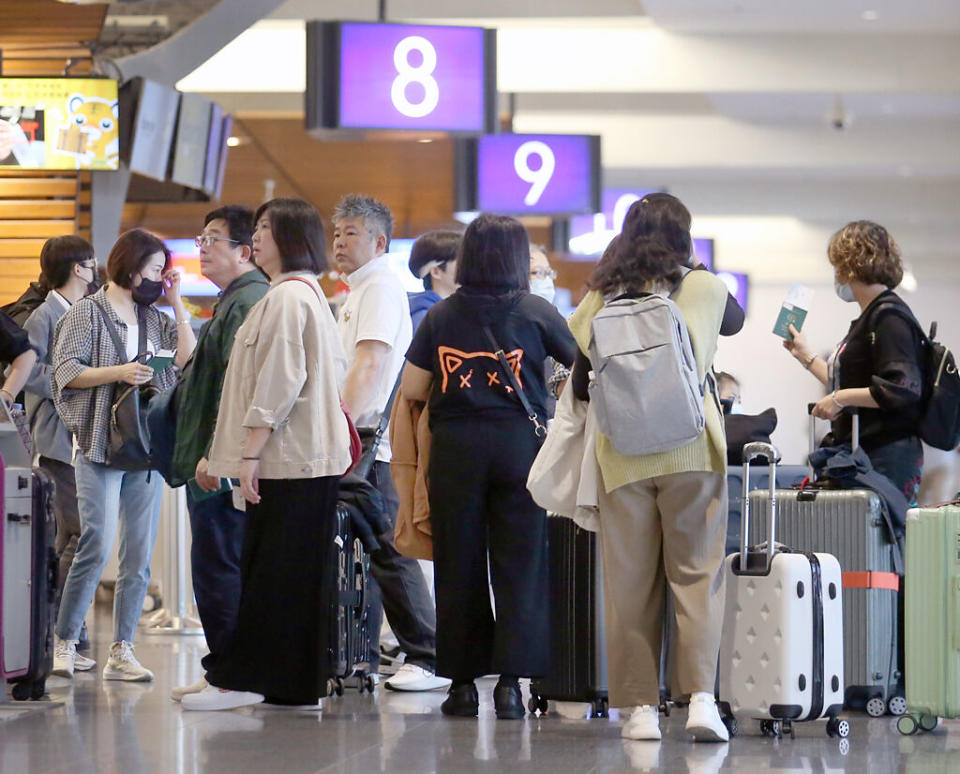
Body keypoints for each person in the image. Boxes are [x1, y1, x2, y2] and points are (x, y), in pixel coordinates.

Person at [567, 193, 730, 741]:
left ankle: (639, 711)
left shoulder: (599, 297)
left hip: (624, 454)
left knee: (630, 584)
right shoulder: (706, 287)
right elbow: (734, 322)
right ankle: (702, 701)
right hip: (692, 449)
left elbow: (582, 362)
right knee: (696, 576)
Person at [402, 214, 577, 719]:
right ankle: (510, 686)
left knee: (458, 565)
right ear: (519, 259)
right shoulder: (538, 311)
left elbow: (413, 389)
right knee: (520, 564)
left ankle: (459, 685)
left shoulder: (441, 316)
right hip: (521, 449)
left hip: (456, 451)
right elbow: (582, 374)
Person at [184, 197, 353, 711]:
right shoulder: (300, 296)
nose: (256, 235)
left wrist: (249, 456)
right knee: (290, 576)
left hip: (288, 459)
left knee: (273, 575)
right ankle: (292, 682)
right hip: (303, 458)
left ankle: (249, 678)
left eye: (265, 227)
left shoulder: (287, 299)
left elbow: (280, 380)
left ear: (291, 236)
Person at [51, 228, 195, 680]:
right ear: (133, 269)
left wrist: (177, 303)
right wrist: (121, 372)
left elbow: (187, 360)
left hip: (145, 447)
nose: (160, 277)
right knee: (96, 541)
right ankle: (65, 641)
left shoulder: (155, 318)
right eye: (156, 270)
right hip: (98, 444)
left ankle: (122, 649)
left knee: (139, 553)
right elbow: (65, 372)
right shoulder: (86, 313)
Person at [333, 194, 446, 693]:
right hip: (361, 437)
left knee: (391, 548)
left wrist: (339, 429)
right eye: (336, 233)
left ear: (379, 242)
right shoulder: (358, 291)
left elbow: (372, 364)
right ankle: (373, 650)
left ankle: (428, 653)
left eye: (351, 233)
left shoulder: (378, 287)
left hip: (369, 441)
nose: (339, 241)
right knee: (377, 549)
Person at [167, 206, 270, 702]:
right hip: (214, 461)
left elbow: (240, 386)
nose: (201, 247)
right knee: (220, 565)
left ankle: (233, 675)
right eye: (201, 238)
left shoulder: (249, 301)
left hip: (220, 466)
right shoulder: (231, 300)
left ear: (244, 251)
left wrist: (216, 453)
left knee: (219, 567)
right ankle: (225, 669)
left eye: (212, 240)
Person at [783, 220, 925, 504]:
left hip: (885, 457)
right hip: (865, 454)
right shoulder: (870, 318)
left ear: (850, 265)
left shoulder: (889, 318)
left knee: (877, 543)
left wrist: (840, 398)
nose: (836, 275)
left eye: (836, 266)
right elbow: (851, 385)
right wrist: (806, 357)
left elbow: (902, 389)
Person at [22, 236, 100, 668]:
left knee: (68, 536)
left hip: (77, 439)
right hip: (57, 441)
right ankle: (61, 632)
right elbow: (28, 369)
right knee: (80, 533)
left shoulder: (80, 313)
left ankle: (60, 630)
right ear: (77, 269)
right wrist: (74, 378)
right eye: (91, 264)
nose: (96, 272)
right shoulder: (45, 315)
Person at [407, 230, 460, 332]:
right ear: (436, 271)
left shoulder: (449, 313)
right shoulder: (424, 318)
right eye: (461, 264)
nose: (470, 269)